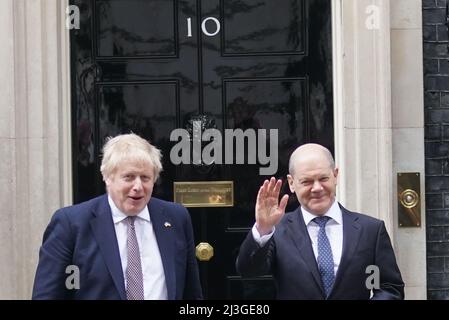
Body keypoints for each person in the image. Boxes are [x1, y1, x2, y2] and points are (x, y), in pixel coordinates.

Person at [32, 133, 202, 300]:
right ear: (108, 177)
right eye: (129, 177)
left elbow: (191, 293)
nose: (138, 186)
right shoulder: (70, 224)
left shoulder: (176, 218)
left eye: (145, 178)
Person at [236, 143, 404, 299]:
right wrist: (263, 228)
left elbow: (389, 287)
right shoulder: (277, 230)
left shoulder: (371, 230)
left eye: (323, 179)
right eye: (307, 181)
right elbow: (249, 273)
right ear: (292, 183)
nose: (317, 188)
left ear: (335, 175)